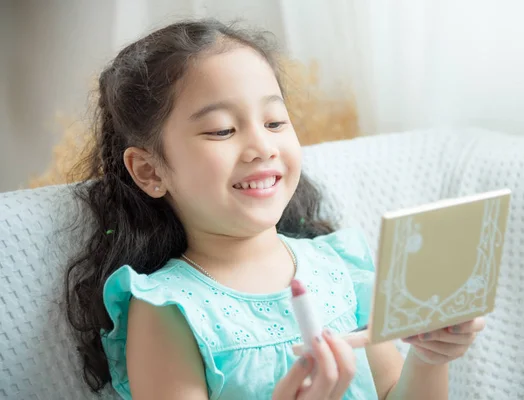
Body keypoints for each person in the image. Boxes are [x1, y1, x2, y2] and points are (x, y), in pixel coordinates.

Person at [64, 19, 485, 400]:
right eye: (222, 130)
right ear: (149, 170)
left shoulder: (339, 266)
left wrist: (431, 357)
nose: (262, 147)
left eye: (274, 122)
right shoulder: (167, 310)